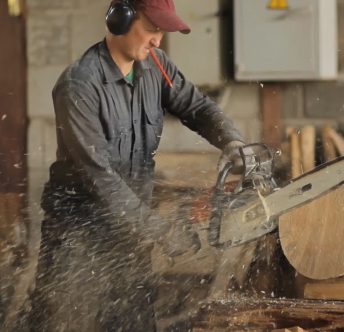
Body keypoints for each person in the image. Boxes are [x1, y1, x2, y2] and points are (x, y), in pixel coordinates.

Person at [27, 0, 246, 330]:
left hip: (130, 231)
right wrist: (161, 230)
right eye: (151, 29)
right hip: (77, 234)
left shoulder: (157, 65)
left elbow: (198, 107)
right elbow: (100, 177)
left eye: (161, 31)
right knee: (64, 321)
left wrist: (232, 141)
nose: (158, 40)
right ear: (120, 19)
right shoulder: (79, 86)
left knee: (132, 322)